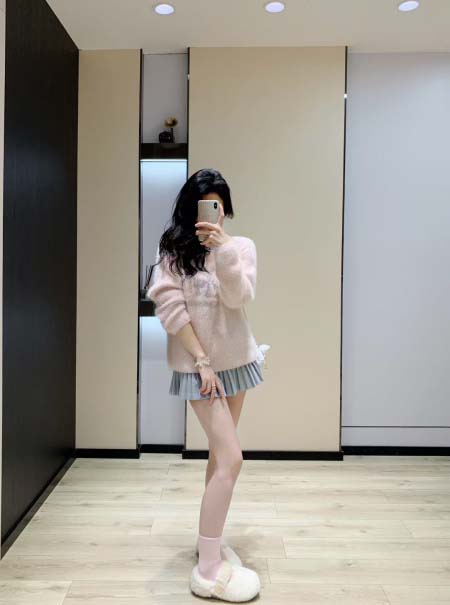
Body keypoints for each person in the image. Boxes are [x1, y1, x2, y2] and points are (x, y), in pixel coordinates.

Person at [147, 168, 263, 602]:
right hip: (200, 369)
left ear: (225, 209)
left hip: (237, 363)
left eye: (219, 206)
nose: (214, 215)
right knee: (232, 458)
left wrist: (224, 250)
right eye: (206, 205)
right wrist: (200, 360)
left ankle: (208, 542)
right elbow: (169, 308)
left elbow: (239, 298)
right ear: (190, 209)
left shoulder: (240, 247)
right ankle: (210, 569)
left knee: (219, 459)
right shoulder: (173, 251)